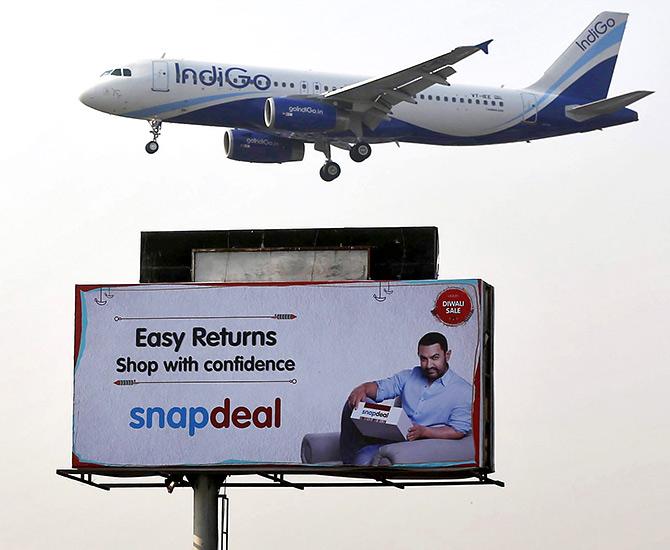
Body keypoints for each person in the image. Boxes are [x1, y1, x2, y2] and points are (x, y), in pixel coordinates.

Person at [340, 332, 472, 465]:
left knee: (362, 459)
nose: (428, 365)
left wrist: (424, 431)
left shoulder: (463, 390)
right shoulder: (408, 376)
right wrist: (362, 388)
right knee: (353, 403)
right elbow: (381, 388)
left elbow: (458, 430)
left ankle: (352, 463)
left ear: (447, 355)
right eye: (423, 359)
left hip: (419, 444)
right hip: (391, 436)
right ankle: (349, 462)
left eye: (435, 358)